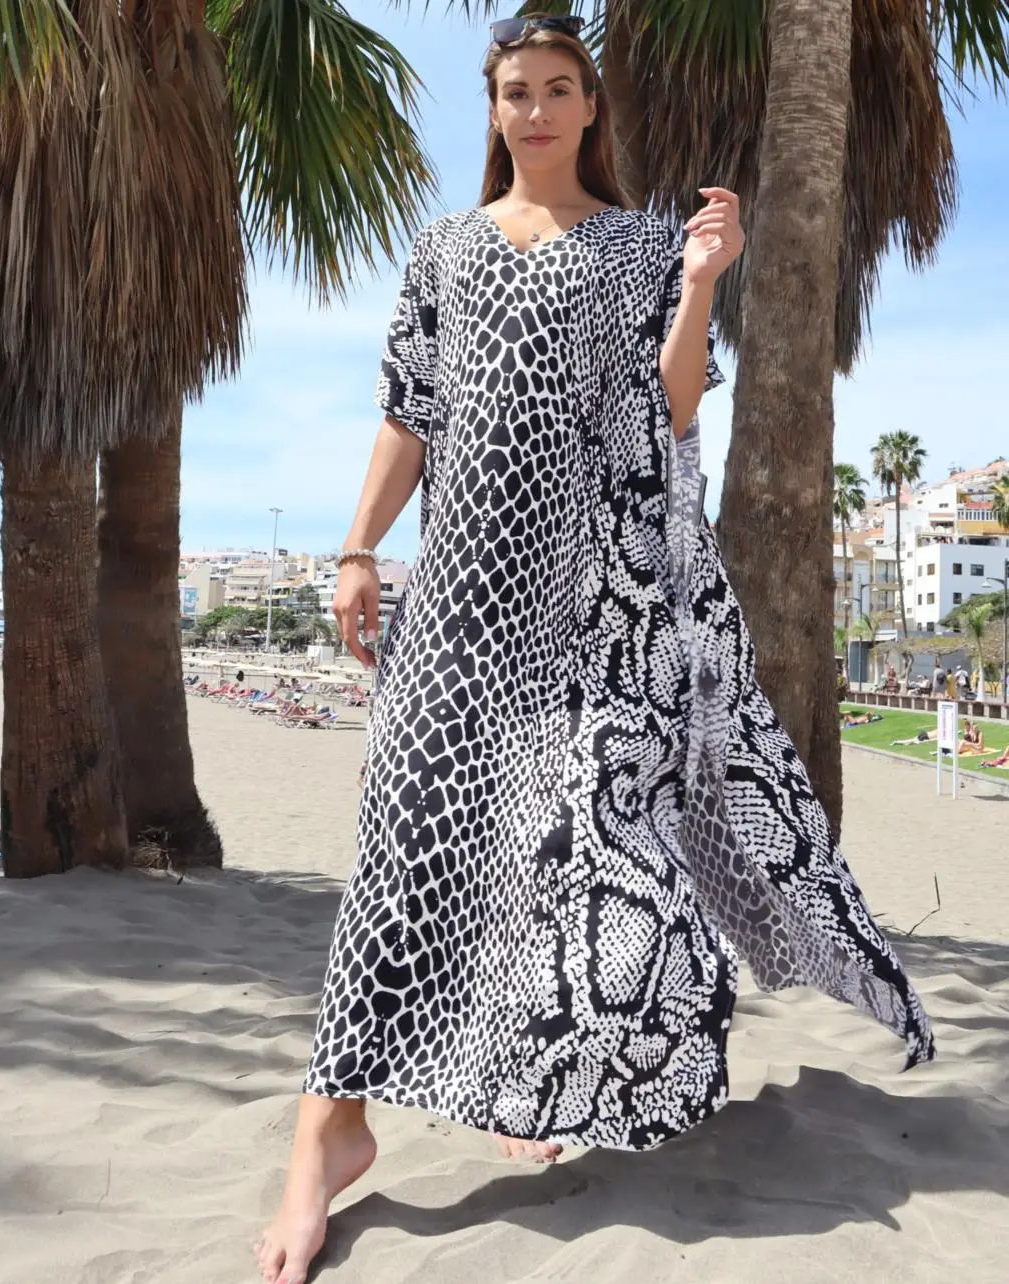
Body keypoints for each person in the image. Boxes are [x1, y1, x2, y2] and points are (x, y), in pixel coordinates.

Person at [254, 17, 934, 1283]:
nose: (537, 109)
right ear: (494, 109)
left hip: (589, 606)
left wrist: (700, 282)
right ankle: (329, 1128)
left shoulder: (636, 247)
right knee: (406, 837)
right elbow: (408, 414)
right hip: (461, 595)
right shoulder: (445, 248)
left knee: (564, 855)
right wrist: (354, 550)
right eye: (516, 91)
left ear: (589, 109)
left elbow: (668, 411)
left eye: (559, 88)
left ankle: (522, 1078)